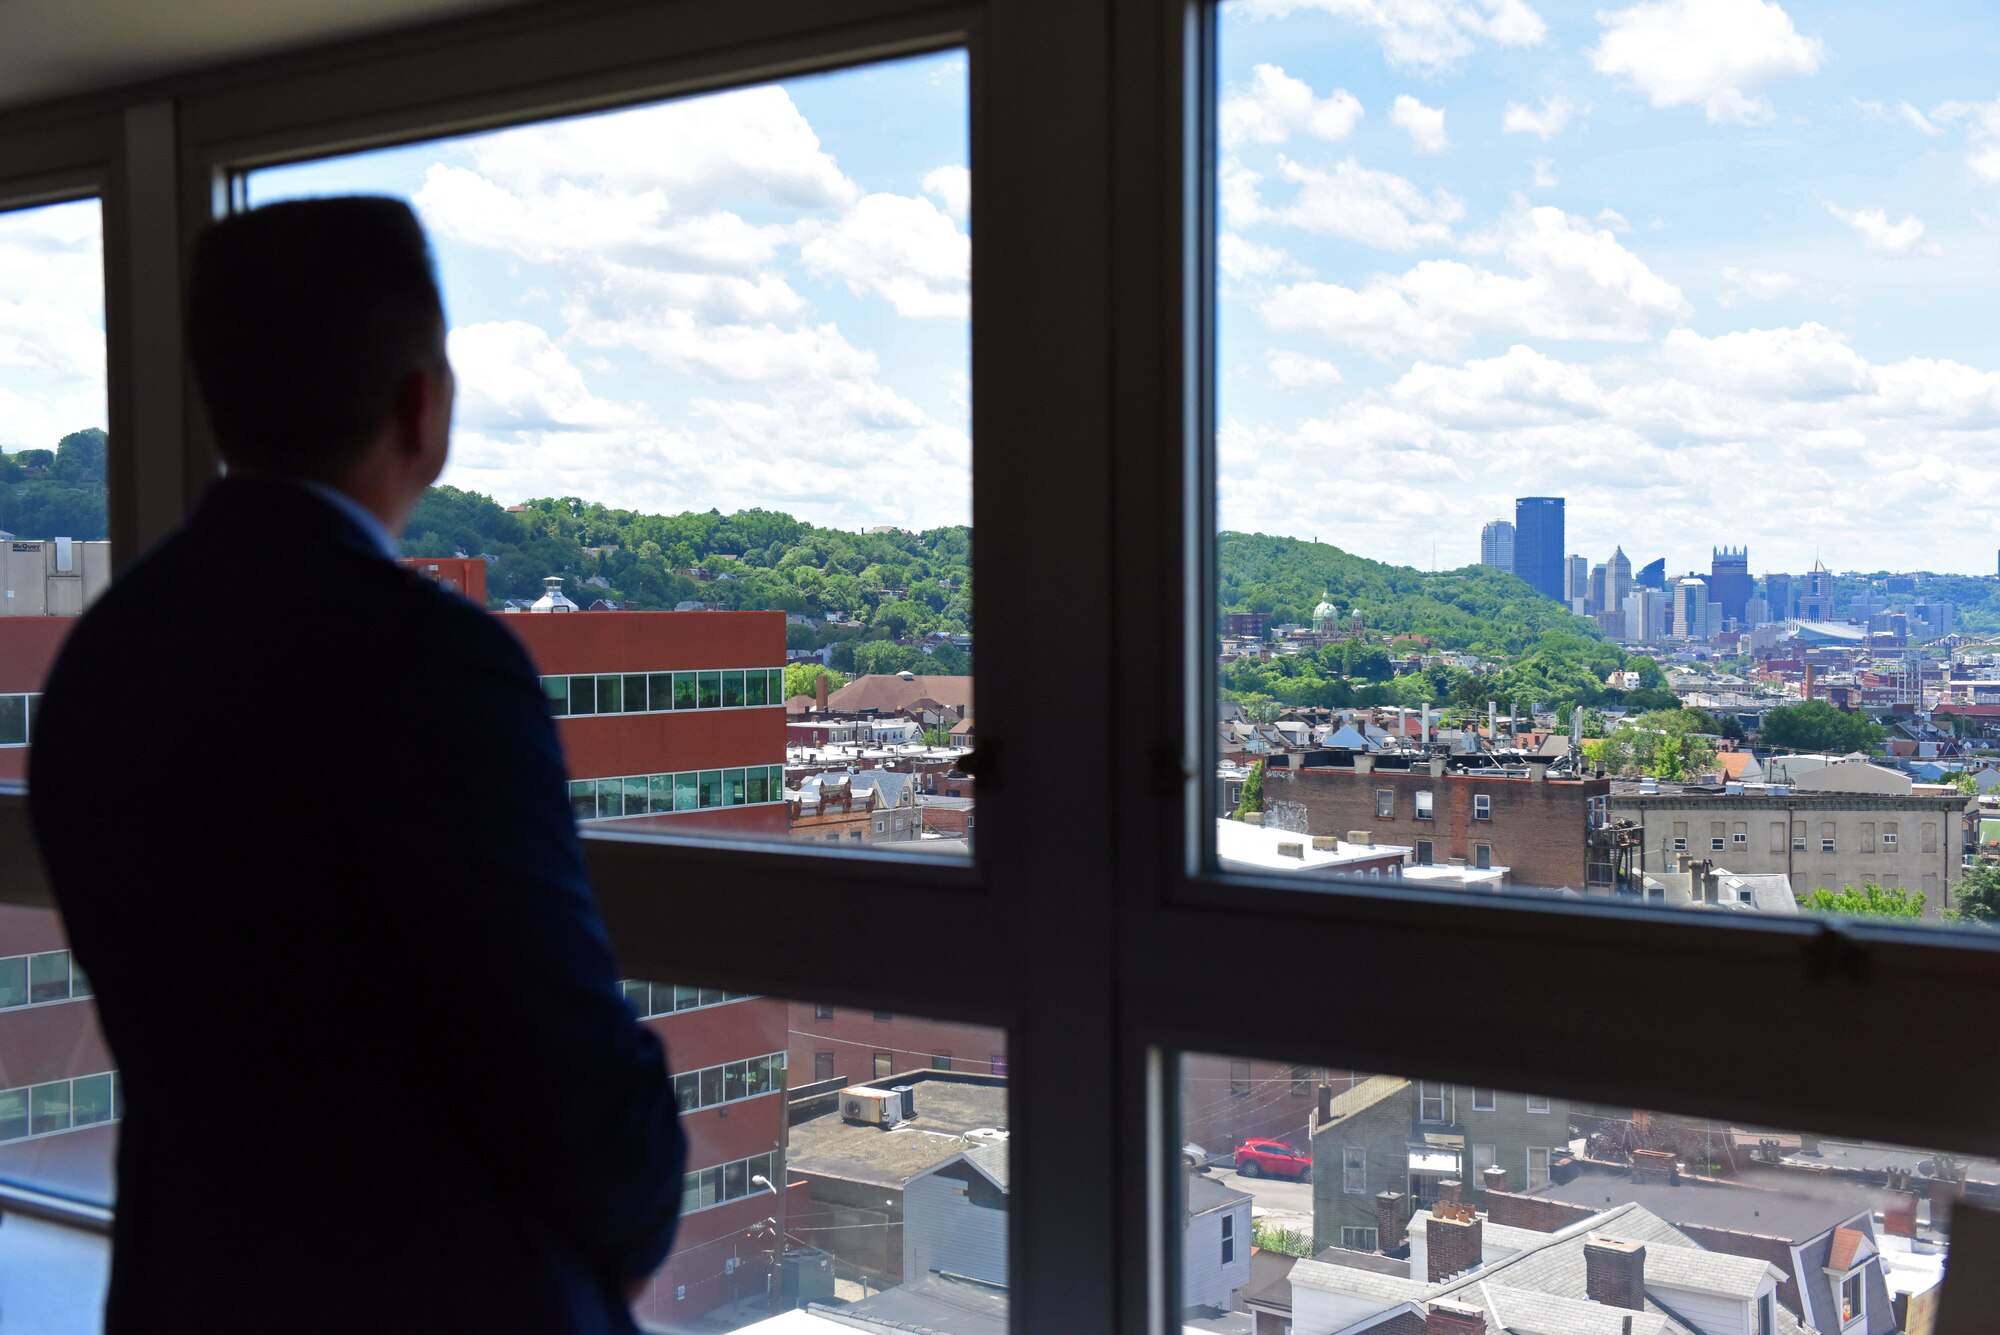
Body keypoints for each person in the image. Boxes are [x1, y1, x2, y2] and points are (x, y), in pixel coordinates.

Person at [28, 197, 684, 1333]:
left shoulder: (107, 651)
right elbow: (556, 1061)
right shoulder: (434, 663)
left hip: (189, 1288)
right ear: (422, 404)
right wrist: (638, 1207)